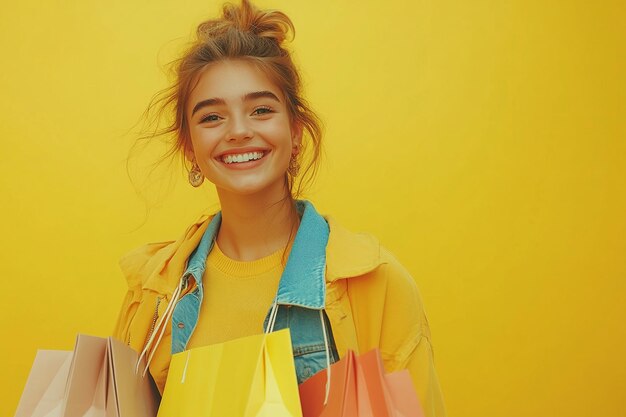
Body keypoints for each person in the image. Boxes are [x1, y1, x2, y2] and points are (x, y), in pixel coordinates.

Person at [113, 0, 446, 415]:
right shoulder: (154, 291)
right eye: (212, 117)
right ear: (189, 147)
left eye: (261, 110)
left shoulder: (375, 287)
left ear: (295, 130)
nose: (238, 131)